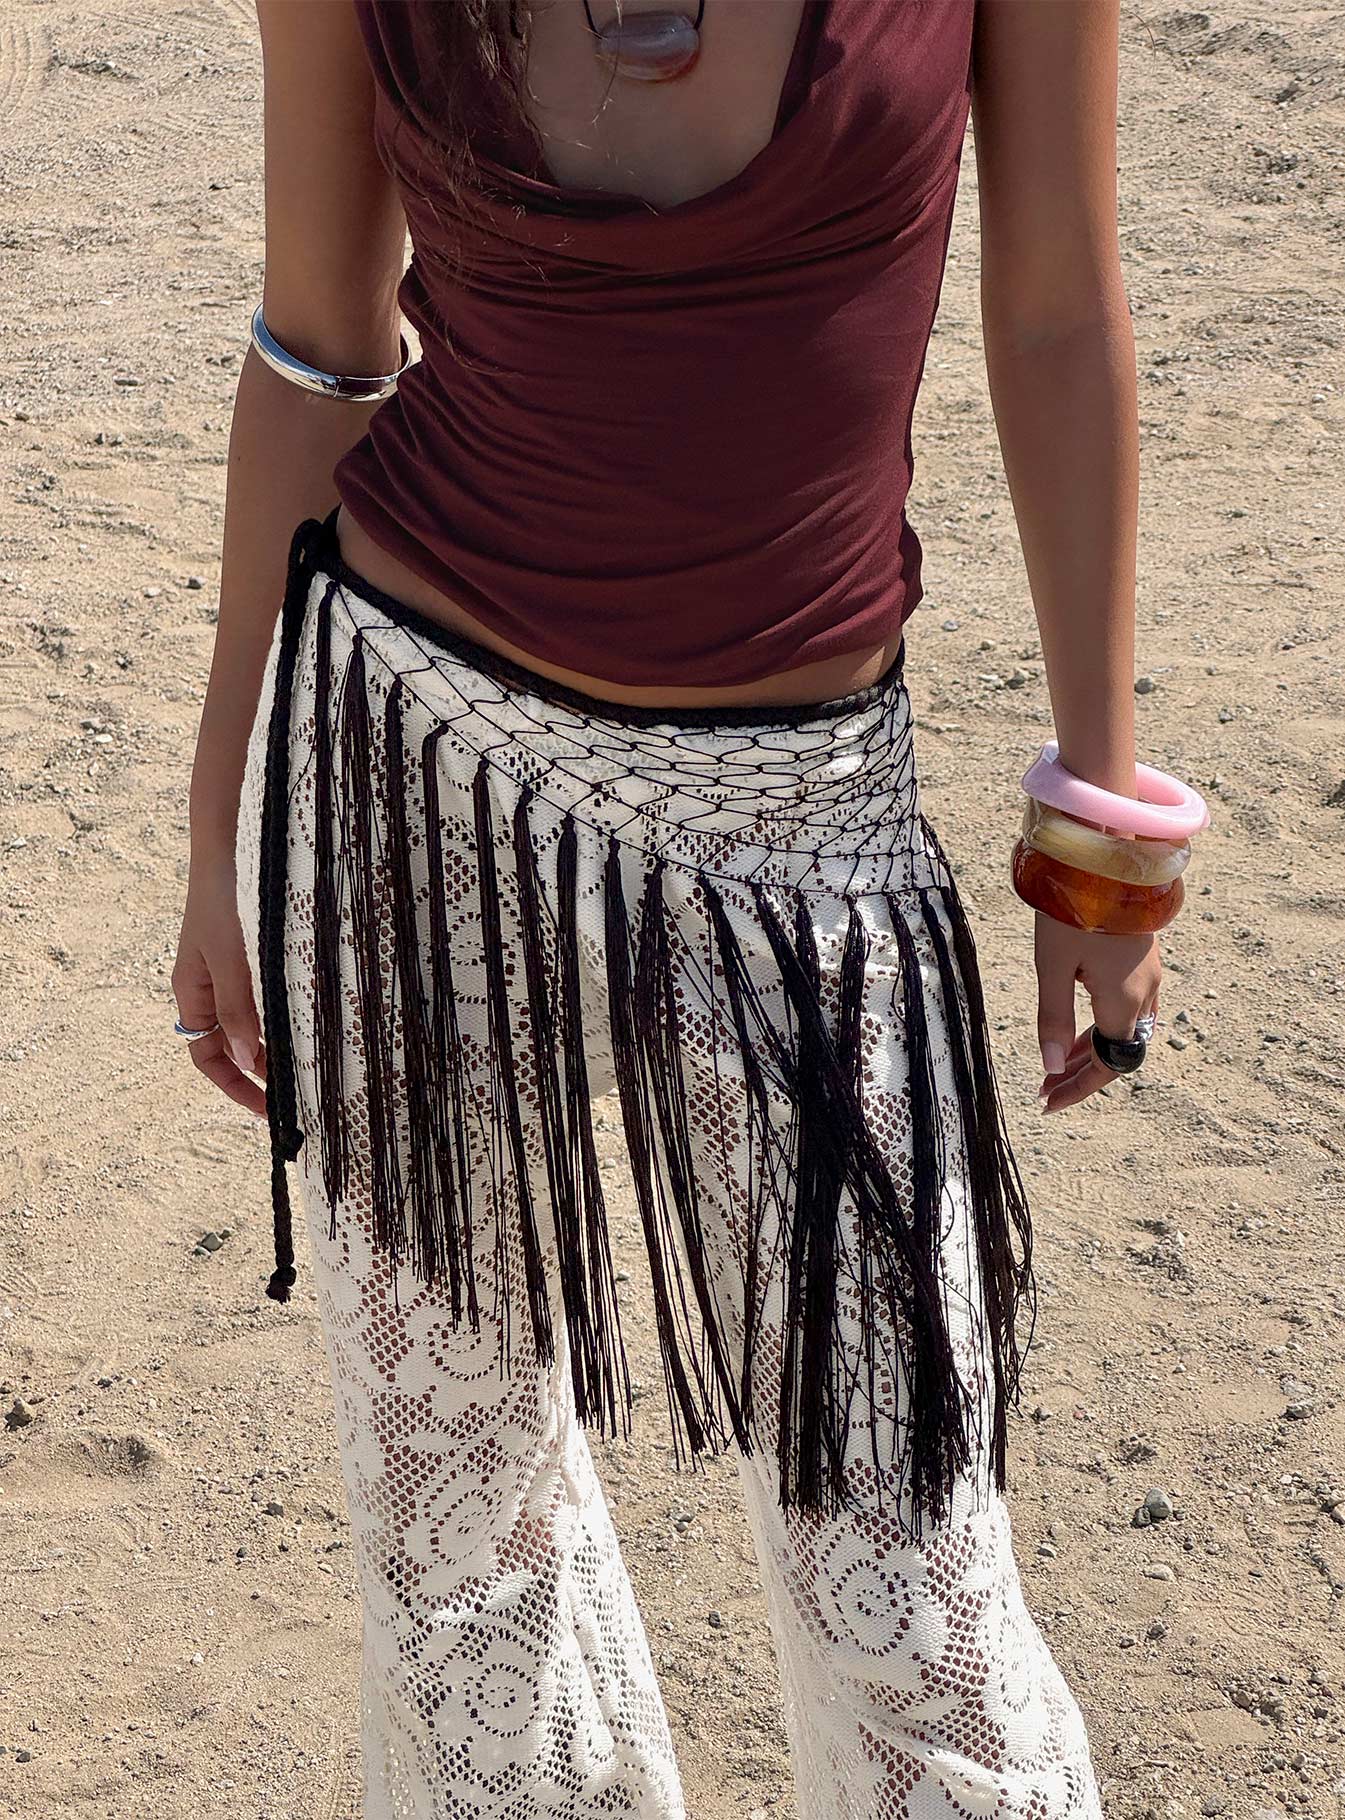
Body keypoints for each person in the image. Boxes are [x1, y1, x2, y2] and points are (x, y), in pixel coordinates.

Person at [169, 2, 1181, 1813]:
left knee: (914, 1590)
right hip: (406, 769)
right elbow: (319, 341)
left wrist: (1102, 823)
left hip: (802, 825)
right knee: (457, 1546)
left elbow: (1052, 316)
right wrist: (222, 806)